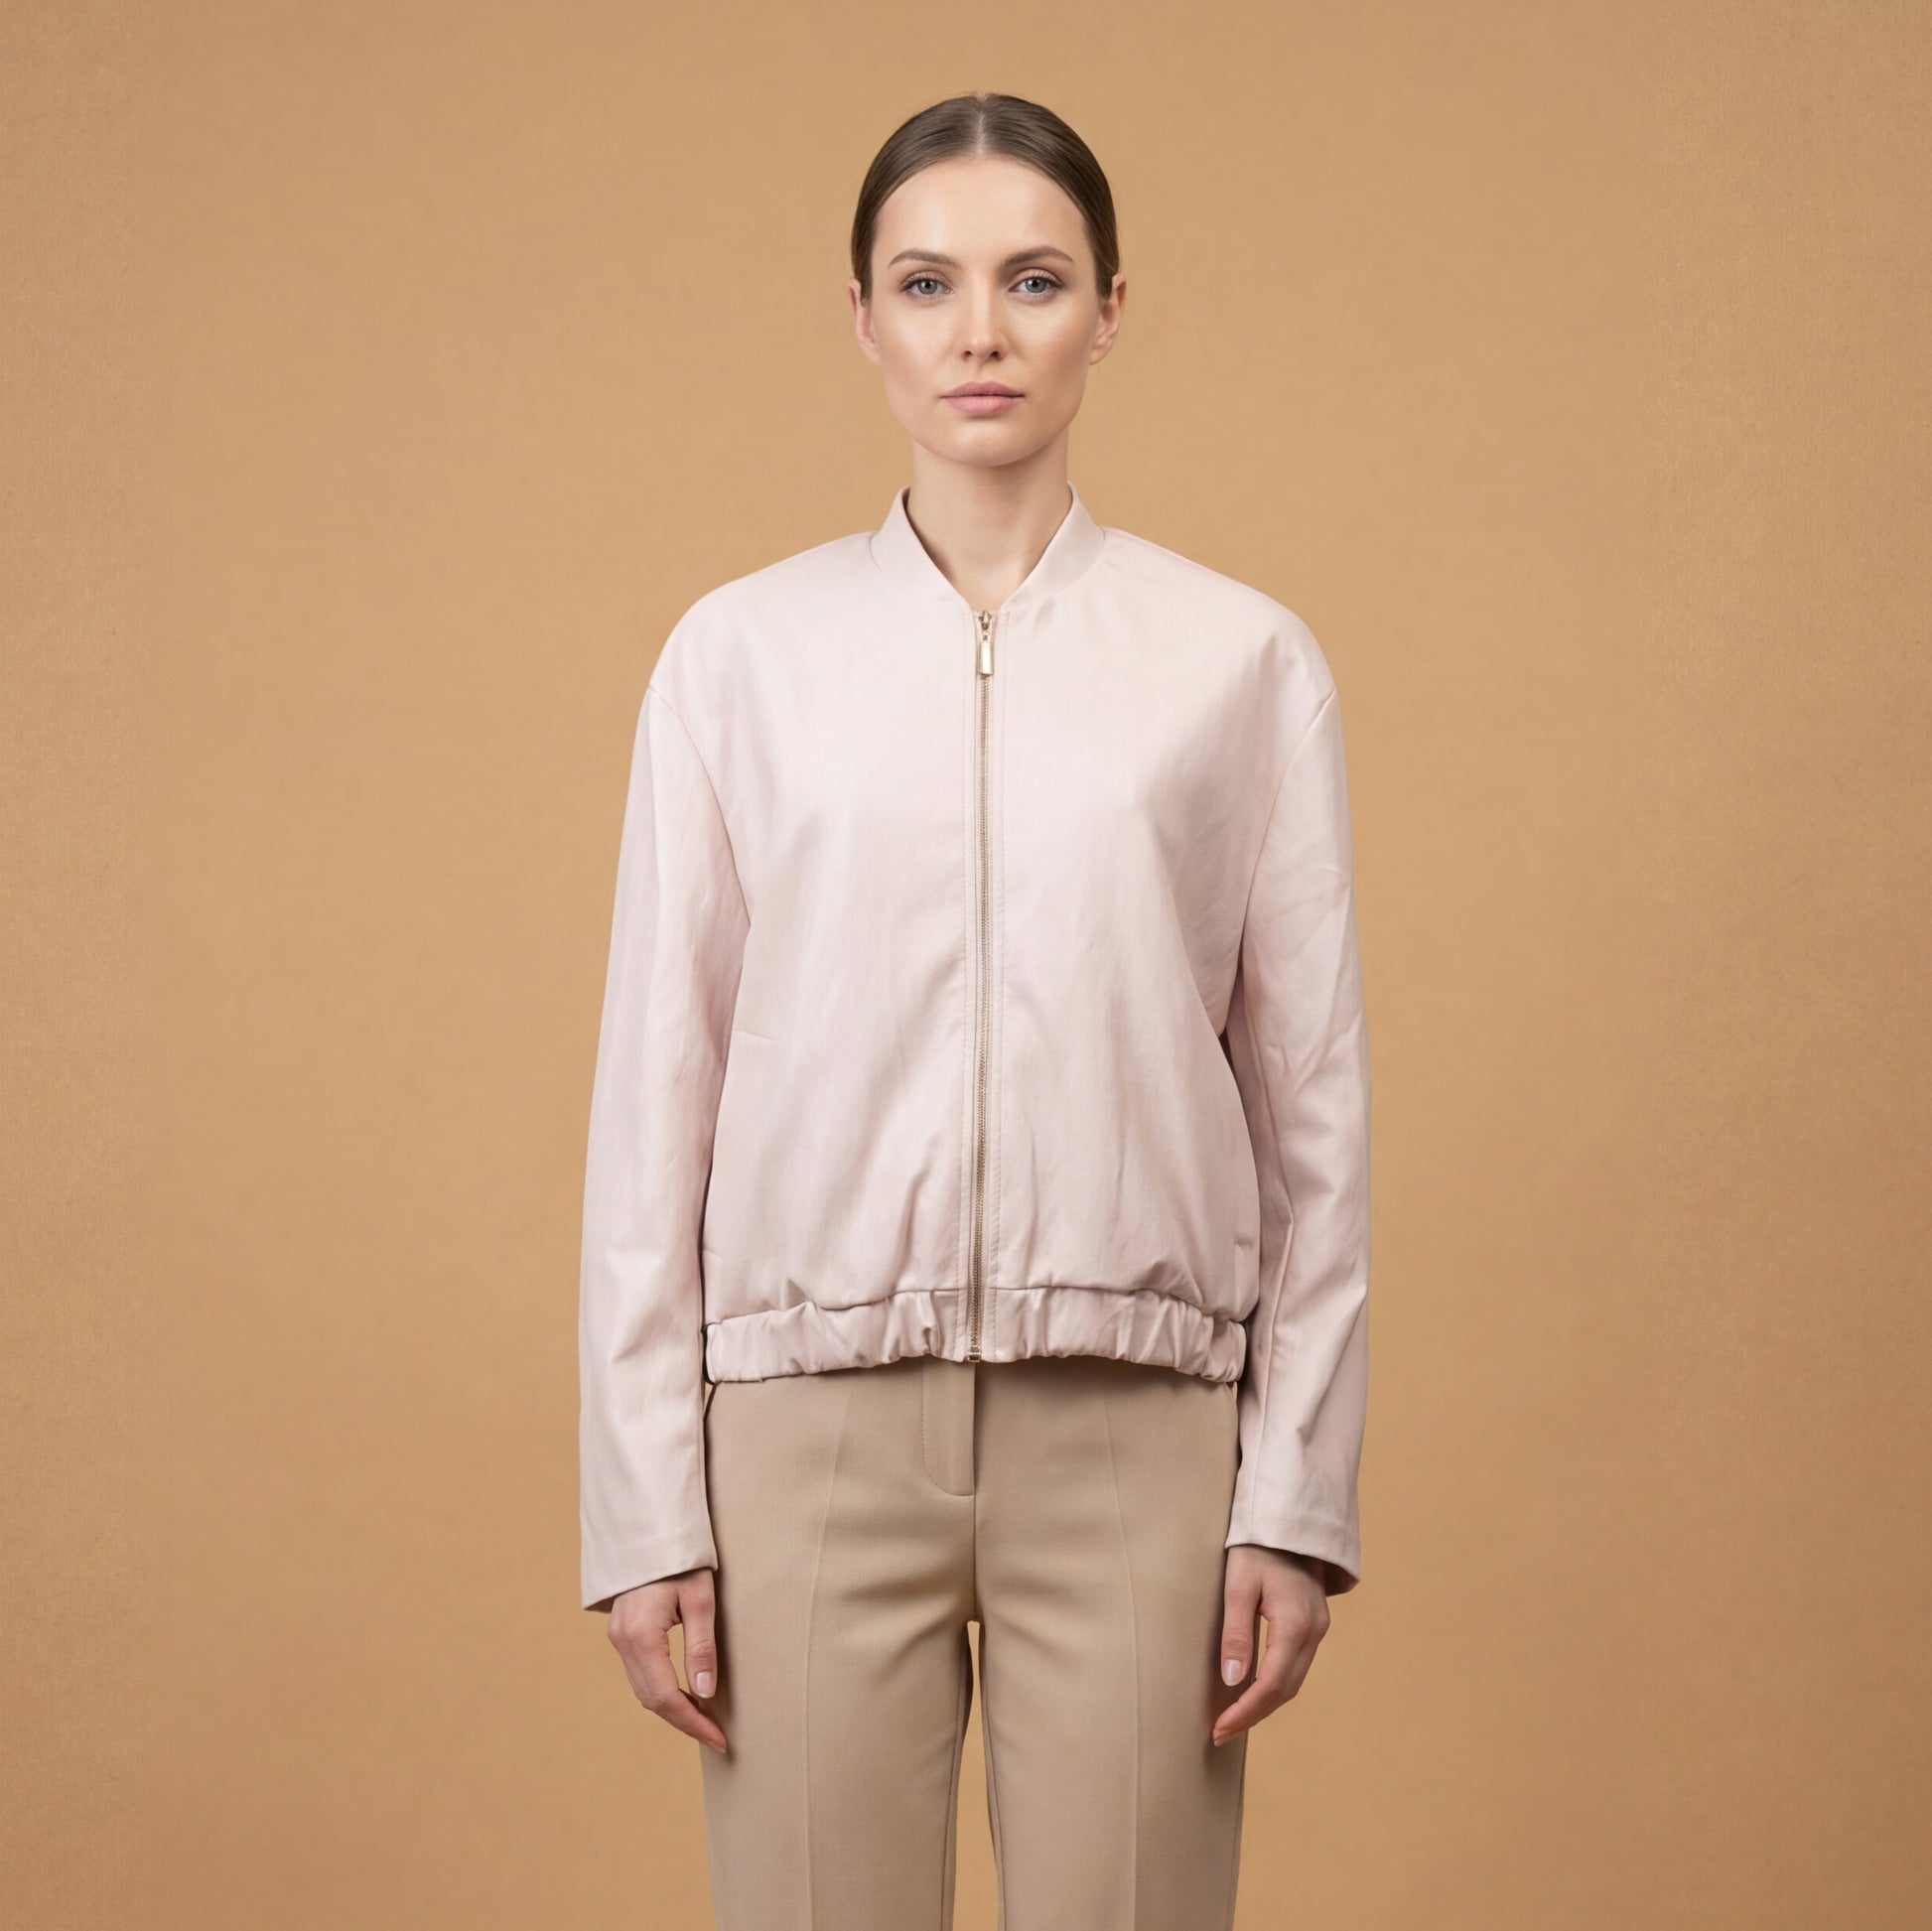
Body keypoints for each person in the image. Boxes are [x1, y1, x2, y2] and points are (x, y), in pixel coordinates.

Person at [578, 89, 1371, 1931]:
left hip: (1137, 1438)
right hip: (803, 1441)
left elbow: (1310, 1113)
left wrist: (1294, 1495)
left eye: (1033, 279)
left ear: (1109, 310)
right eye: (926, 283)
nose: (979, 332)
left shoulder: (1240, 662)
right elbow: (656, 1097)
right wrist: (645, 1504)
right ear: (860, 316)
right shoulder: (737, 660)